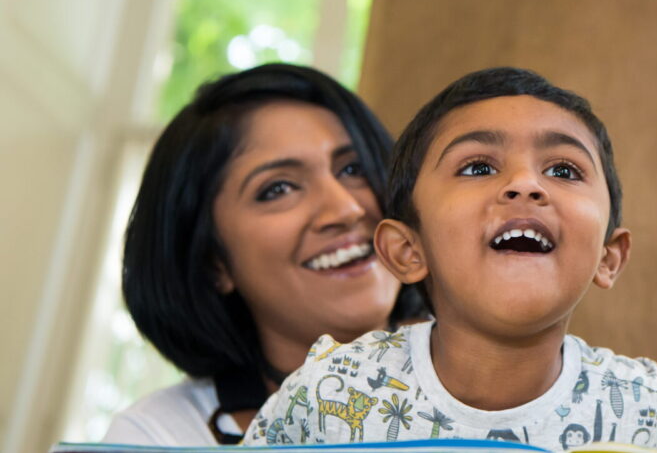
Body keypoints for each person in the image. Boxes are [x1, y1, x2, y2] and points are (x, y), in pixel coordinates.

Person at [243, 67, 657, 451]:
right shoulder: (330, 394)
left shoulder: (636, 405)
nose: (526, 184)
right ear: (407, 251)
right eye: (478, 167)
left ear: (608, 257)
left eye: (563, 170)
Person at [103, 64, 426, 445]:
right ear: (214, 262)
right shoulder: (158, 437)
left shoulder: (498, 377)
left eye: (352, 168)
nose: (346, 209)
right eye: (279, 189)